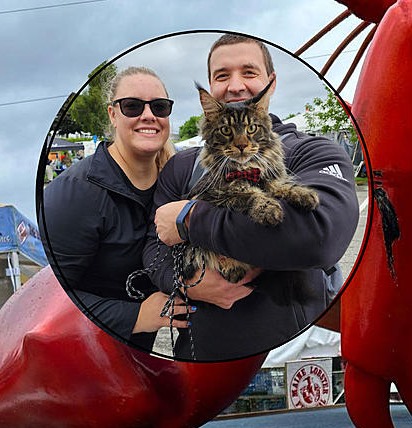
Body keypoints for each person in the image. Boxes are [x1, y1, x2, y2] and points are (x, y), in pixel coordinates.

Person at [147, 34, 358, 361]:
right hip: (201, 360)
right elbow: (152, 248)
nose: (234, 86)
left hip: (294, 355)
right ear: (210, 88)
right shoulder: (182, 166)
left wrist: (189, 218)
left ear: (270, 84)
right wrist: (190, 284)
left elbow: (319, 236)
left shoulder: (313, 151)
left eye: (249, 72)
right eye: (221, 76)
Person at [42, 66, 189, 350]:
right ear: (112, 114)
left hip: (140, 359)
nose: (148, 115)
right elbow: (51, 299)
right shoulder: (75, 193)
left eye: (159, 106)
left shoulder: (177, 180)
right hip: (85, 356)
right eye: (132, 106)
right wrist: (137, 316)